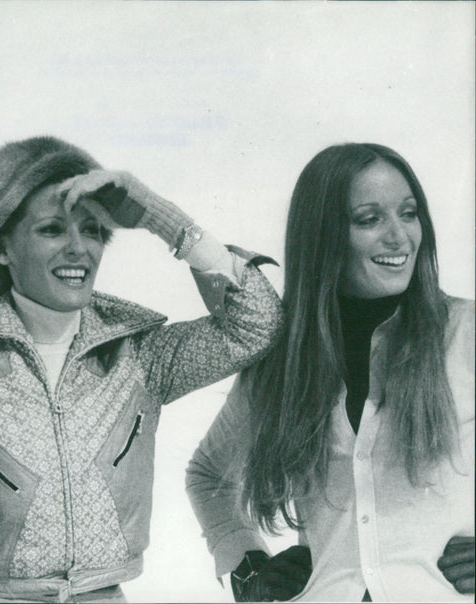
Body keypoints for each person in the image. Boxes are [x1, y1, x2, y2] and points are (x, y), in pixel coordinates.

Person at [0, 135, 283, 603]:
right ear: (3, 248)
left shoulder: (140, 358)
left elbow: (256, 326)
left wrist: (161, 219)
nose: (79, 249)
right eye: (52, 230)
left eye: (93, 230)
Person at [186, 143, 475, 602]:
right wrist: (247, 563)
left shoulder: (467, 334)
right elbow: (207, 475)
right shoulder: (280, 361)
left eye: (408, 213)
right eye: (369, 219)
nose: (400, 237)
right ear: (321, 236)